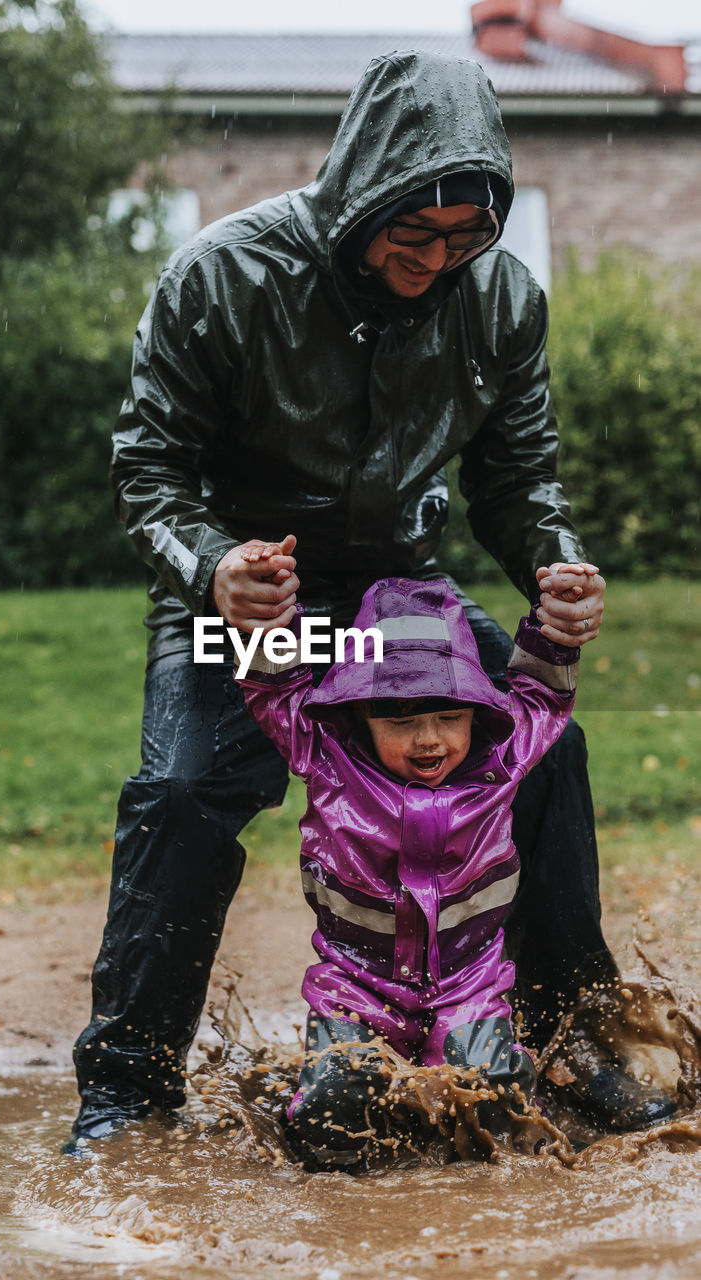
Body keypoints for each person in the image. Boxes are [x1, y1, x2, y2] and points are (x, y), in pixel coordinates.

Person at [64, 50, 673, 1153]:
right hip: (253, 589)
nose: (437, 259)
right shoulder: (222, 274)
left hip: (404, 597)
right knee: (187, 785)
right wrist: (215, 566)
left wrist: (554, 563)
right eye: (416, 231)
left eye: (464, 236)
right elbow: (147, 465)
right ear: (364, 193)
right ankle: (127, 1086)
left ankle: (567, 1039)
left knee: (546, 753)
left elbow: (518, 478)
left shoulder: (500, 298)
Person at [235, 571, 582, 1168]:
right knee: (335, 1111)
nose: (429, 739)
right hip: (357, 986)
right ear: (360, 714)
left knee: (495, 1103)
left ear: (477, 709)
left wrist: (556, 627)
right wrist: (267, 620)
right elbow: (272, 690)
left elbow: (544, 695)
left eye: (450, 716)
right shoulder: (327, 756)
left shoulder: (502, 759)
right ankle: (317, 1145)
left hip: (468, 984)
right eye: (399, 720)